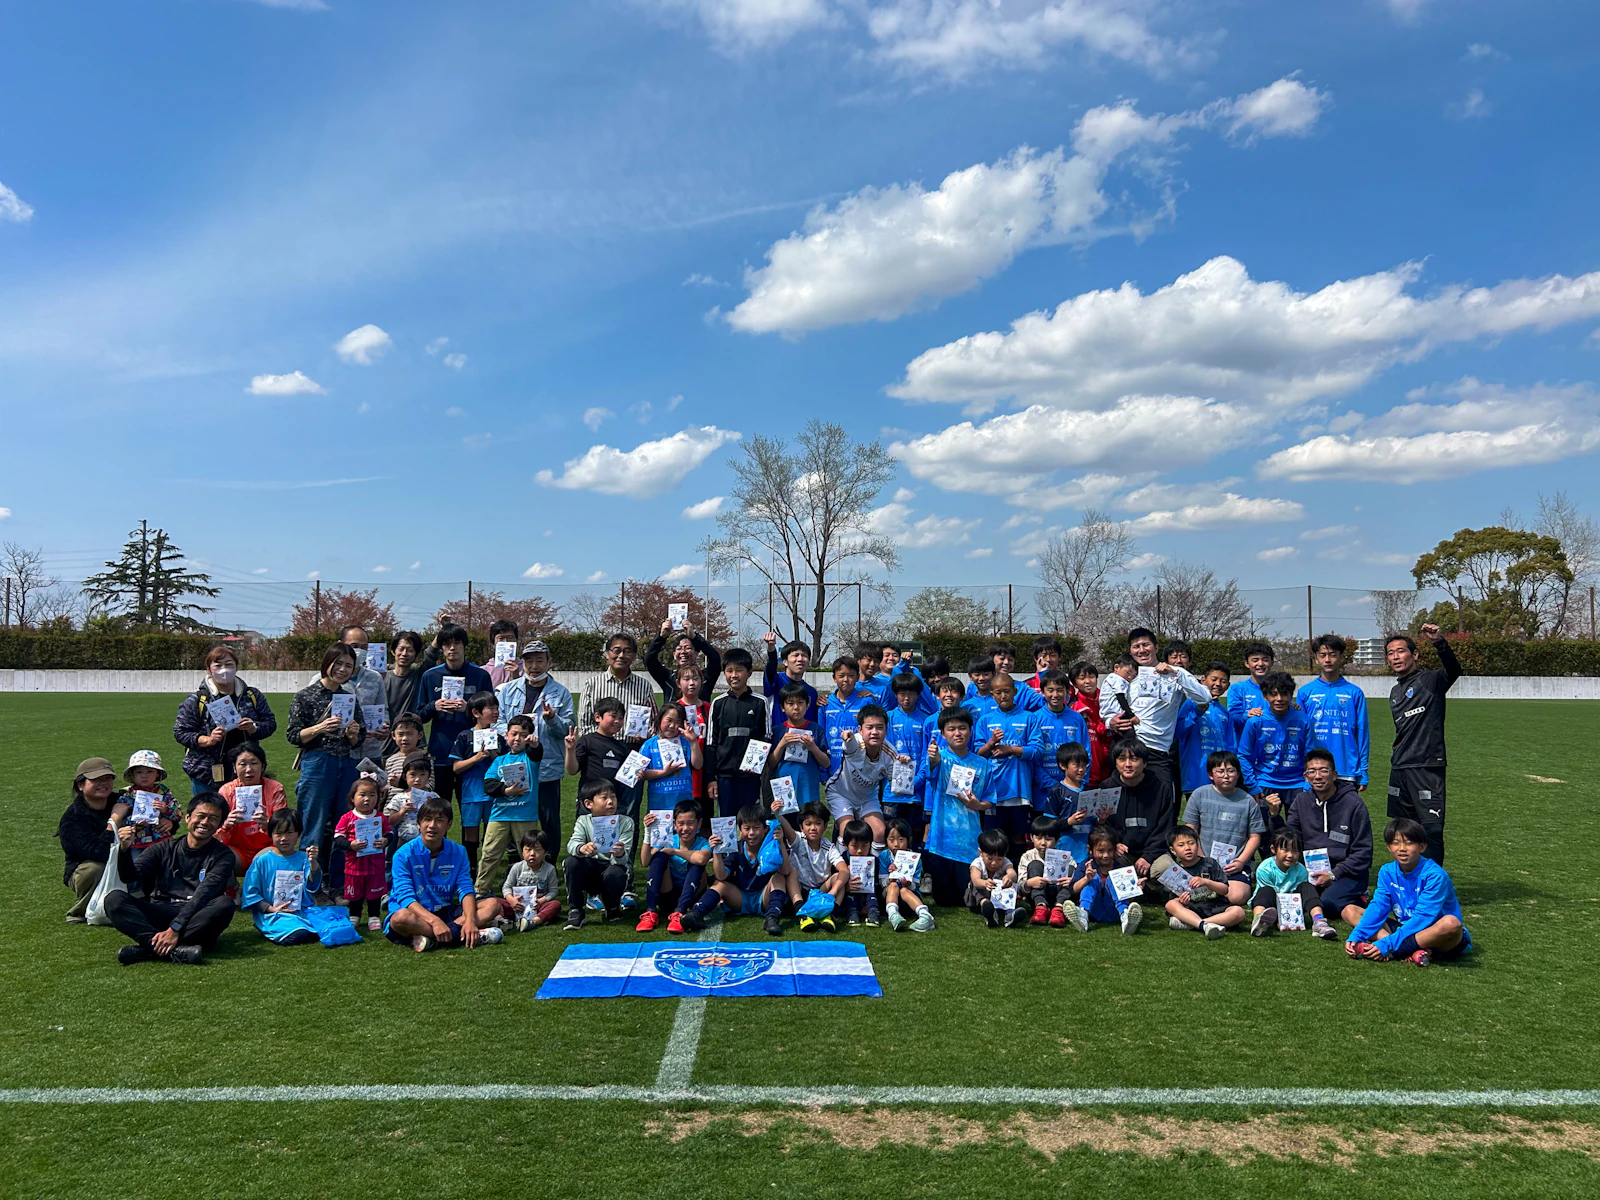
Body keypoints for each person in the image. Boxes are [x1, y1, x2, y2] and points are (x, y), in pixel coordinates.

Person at [105, 793, 238, 965]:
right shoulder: (162, 848)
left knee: (224, 904)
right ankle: (173, 951)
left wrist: (175, 928)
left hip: (196, 916)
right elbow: (130, 878)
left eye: (213, 819)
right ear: (188, 818)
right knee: (114, 899)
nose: (205, 822)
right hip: (162, 910)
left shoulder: (223, 856)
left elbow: (203, 894)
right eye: (201, 816)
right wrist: (124, 850)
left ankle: (148, 949)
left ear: (219, 825)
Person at [285, 643, 367, 891]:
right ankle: (310, 885)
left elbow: (359, 737)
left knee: (345, 825)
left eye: (348, 666)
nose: (342, 669)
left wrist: (353, 734)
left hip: (346, 763)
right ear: (326, 663)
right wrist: (320, 728)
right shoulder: (305, 696)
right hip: (317, 762)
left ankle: (338, 884)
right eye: (338, 663)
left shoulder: (349, 698)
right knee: (314, 826)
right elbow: (293, 735)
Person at [1385, 623, 1462, 864]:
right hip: (1400, 768)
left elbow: (1454, 669)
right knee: (1403, 831)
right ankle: (1409, 880)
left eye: (1401, 651)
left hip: (1426, 766)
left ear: (1415, 655)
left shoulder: (1431, 681)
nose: (1396, 657)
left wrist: (1439, 641)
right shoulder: (1394, 692)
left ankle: (1432, 882)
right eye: (1390, 653)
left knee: (1431, 830)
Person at [1346, 818, 1472, 966]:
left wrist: (1386, 944)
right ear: (1389, 847)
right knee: (1350, 911)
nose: (1402, 848)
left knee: (1451, 924)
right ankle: (1411, 951)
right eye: (1395, 843)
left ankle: (1396, 950)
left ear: (1422, 847)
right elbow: (1379, 906)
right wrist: (1357, 935)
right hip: (1405, 928)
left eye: (1409, 843)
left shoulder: (1435, 875)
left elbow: (1423, 918)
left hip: (1433, 933)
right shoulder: (1387, 871)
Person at [385, 795, 503, 952]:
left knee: (492, 904)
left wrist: (470, 920)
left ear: (449, 825)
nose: (432, 826)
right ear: (419, 824)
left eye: (439, 821)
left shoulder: (459, 852)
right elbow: (406, 897)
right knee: (400, 918)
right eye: (427, 820)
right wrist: (434, 921)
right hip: (416, 912)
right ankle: (460, 935)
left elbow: (465, 889)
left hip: (445, 909)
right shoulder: (403, 855)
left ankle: (434, 938)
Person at [1100, 627, 1210, 792]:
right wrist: (1110, 721)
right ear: (1130, 651)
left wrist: (1175, 673)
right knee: (1120, 802)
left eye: (1146, 645)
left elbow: (1204, 698)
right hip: (1125, 746)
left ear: (1156, 647)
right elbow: (1109, 705)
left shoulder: (1175, 672)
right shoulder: (1128, 675)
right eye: (1136, 647)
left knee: (1160, 800)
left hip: (1156, 750)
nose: (1141, 650)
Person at [494, 640, 574, 848]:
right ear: (523, 663)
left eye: (539, 660)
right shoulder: (508, 690)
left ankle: (550, 857)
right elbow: (498, 721)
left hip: (548, 765)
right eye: (529, 661)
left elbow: (569, 728)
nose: (534, 666)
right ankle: (518, 858)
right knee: (515, 813)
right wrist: (514, 736)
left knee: (549, 816)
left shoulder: (561, 692)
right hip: (515, 764)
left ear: (549, 662)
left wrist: (552, 719)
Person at [916, 706, 997, 907]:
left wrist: (977, 804)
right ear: (943, 734)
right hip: (941, 841)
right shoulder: (939, 758)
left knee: (965, 897)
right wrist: (933, 759)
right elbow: (930, 772)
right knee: (943, 900)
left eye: (962, 728)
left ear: (970, 730)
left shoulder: (983, 764)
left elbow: (990, 800)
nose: (957, 733)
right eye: (951, 729)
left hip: (969, 842)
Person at [172, 645, 277, 798]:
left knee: (242, 812)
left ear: (236, 668)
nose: (224, 669)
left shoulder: (252, 695)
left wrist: (253, 727)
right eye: (218, 665)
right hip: (206, 772)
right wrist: (207, 740)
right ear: (209, 670)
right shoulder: (198, 699)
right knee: (209, 811)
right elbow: (180, 732)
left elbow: (270, 723)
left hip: (244, 771)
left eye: (229, 664)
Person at [1285, 749, 1373, 927]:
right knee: (1292, 900)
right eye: (1312, 771)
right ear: (1306, 777)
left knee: (1328, 904)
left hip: (1346, 872)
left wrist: (1333, 874)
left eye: (1323, 771)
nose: (1318, 776)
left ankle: (1360, 898)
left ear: (1334, 775)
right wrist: (1273, 816)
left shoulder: (1354, 804)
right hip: (1311, 871)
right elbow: (1290, 838)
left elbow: (1363, 852)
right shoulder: (1301, 801)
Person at [682, 802, 792, 935]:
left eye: (756, 827)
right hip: (740, 898)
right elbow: (721, 876)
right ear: (740, 830)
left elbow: (786, 871)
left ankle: (772, 918)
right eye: (747, 828)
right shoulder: (736, 848)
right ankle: (696, 914)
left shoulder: (771, 847)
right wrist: (716, 851)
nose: (751, 833)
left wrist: (780, 842)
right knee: (720, 884)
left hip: (764, 897)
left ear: (765, 829)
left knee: (779, 877)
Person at [417, 623, 494, 806]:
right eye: (447, 643)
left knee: (472, 809)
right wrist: (434, 706)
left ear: (464, 645)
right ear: (441, 648)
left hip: (472, 754)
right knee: (439, 809)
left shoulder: (480, 675)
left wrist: (469, 708)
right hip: (440, 753)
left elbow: (491, 715)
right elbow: (420, 716)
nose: (452, 648)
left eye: (457, 643)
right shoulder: (430, 676)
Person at [1179, 750, 1265, 906]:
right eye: (1220, 771)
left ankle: (1208, 896)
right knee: (1180, 889)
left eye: (1231, 771)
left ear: (1238, 774)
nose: (1226, 776)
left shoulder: (1248, 801)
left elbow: (1255, 837)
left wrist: (1240, 861)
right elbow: (1190, 831)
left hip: (1232, 866)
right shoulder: (1199, 795)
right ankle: (1210, 895)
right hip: (1201, 861)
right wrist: (1201, 859)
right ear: (1210, 775)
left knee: (1238, 896)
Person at [972, 673, 1045, 856]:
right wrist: (991, 743)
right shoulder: (985, 720)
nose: (1003, 696)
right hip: (993, 791)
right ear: (992, 694)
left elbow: (1037, 750)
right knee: (994, 838)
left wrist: (1011, 749)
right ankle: (996, 873)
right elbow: (978, 755)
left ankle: (1018, 871)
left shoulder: (1029, 718)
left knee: (1018, 837)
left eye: (1007, 691)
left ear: (1015, 691)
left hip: (1019, 790)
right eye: (998, 692)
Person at [1241, 671, 1319, 836]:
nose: (1279, 699)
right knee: (1264, 835)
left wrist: (1307, 785)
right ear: (1265, 696)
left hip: (1297, 785)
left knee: (1298, 834)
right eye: (1274, 694)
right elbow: (1243, 755)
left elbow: (1311, 756)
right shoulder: (1256, 721)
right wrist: (1253, 785)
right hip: (1265, 784)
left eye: (1284, 694)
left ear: (1291, 695)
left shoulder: (1303, 720)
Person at [477, 714, 543, 896]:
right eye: (514, 734)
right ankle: (481, 891)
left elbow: (537, 753)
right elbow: (488, 785)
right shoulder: (499, 760)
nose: (517, 738)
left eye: (523, 735)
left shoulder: (530, 758)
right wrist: (506, 791)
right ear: (506, 735)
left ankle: (534, 892)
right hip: (500, 815)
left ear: (529, 738)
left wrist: (535, 746)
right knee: (489, 854)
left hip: (525, 815)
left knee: (530, 855)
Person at [239, 809, 324, 946]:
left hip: (303, 911)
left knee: (329, 928)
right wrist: (271, 909)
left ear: (298, 834)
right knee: (298, 935)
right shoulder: (262, 861)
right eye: (278, 833)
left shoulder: (304, 859)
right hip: (274, 914)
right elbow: (250, 894)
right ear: (270, 834)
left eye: (290, 832)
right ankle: (270, 928)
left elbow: (313, 885)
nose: (284, 838)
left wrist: (313, 862)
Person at [1297, 635, 1370, 789]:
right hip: (1315, 771)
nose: (1328, 660)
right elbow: (1300, 735)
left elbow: (1362, 733)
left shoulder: (1354, 693)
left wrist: (1363, 770)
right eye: (1322, 655)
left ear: (1341, 657)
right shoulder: (1305, 693)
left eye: (1333, 655)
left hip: (1346, 769)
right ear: (1316, 658)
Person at [705, 647, 769, 818]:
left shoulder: (760, 702)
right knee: (726, 821)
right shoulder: (718, 703)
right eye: (729, 670)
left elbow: (766, 737)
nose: (734, 675)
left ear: (749, 672)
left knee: (752, 821)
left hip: (750, 777)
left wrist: (754, 765)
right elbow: (711, 742)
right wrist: (711, 778)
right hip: (724, 776)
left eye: (739, 670)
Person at [563, 783, 637, 929]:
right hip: (590, 868)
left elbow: (624, 859)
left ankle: (612, 907)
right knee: (571, 862)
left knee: (616, 871)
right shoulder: (583, 820)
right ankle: (576, 910)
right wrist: (582, 848)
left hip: (612, 867)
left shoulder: (626, 822)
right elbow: (572, 844)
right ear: (588, 804)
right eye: (604, 798)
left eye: (613, 797)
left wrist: (620, 853)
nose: (610, 802)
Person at [825, 705, 899, 846]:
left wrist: (903, 767)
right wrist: (847, 737)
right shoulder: (856, 743)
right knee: (848, 831)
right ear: (860, 729)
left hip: (867, 797)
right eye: (869, 727)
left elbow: (898, 788)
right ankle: (841, 860)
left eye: (879, 727)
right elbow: (850, 745)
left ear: (886, 729)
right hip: (840, 793)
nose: (874, 732)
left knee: (879, 832)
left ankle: (872, 861)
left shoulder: (891, 754)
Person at [1176, 661, 1251, 800]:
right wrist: (1196, 713)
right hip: (1196, 776)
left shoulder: (1225, 713)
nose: (1218, 684)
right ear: (1203, 680)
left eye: (1223, 681)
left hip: (1220, 779)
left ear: (1228, 685)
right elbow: (1178, 732)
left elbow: (1230, 747)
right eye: (1214, 679)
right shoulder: (1191, 703)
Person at [449, 691, 505, 873]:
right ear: (476, 713)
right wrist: (476, 758)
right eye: (491, 708)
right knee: (470, 833)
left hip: (493, 794)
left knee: (492, 835)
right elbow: (456, 767)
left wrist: (494, 753)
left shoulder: (499, 738)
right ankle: (470, 869)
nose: (495, 712)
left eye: (496, 708)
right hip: (471, 794)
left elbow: (504, 767)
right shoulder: (465, 736)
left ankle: (487, 869)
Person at [1105, 739, 1177, 882]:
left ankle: (1152, 888)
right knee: (1105, 858)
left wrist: (1148, 856)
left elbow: (1165, 828)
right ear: (1115, 763)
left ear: (1145, 763)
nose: (1128, 764)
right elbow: (1102, 825)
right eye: (1122, 759)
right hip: (1122, 853)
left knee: (1166, 867)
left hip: (1153, 853)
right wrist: (1113, 843)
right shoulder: (1107, 788)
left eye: (1134, 759)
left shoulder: (1161, 789)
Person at [636, 799, 712, 933]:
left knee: (697, 863)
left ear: (699, 823)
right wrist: (647, 832)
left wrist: (675, 851)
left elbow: (702, 859)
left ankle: (679, 913)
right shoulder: (668, 839)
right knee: (659, 857)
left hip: (691, 897)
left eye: (690, 823)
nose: (685, 828)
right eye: (681, 824)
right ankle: (650, 911)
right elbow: (645, 861)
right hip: (668, 895)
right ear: (674, 824)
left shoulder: (702, 842)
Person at [57, 757, 118, 923]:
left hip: (124, 861)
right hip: (88, 868)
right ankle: (81, 910)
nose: (103, 783)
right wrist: (114, 822)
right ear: (80, 785)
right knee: (94, 869)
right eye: (96, 779)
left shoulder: (122, 800)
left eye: (108, 778)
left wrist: (168, 821)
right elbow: (99, 853)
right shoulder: (72, 819)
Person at [1157, 824, 1244, 939]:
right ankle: (1203, 925)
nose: (1187, 848)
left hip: (1215, 907)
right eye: (1181, 845)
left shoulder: (1210, 863)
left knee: (1238, 912)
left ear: (1198, 844)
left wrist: (1207, 882)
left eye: (1191, 843)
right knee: (1170, 905)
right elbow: (1173, 899)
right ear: (1173, 850)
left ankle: (1196, 924)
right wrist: (1181, 900)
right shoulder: (1175, 872)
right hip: (1192, 909)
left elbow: (1224, 890)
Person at [1249, 829, 1337, 940]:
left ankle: (1319, 921)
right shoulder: (1265, 868)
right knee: (1266, 890)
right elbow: (1267, 895)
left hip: (1292, 906)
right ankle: (1258, 920)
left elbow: (1297, 898)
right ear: (1273, 849)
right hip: (1269, 905)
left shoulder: (1301, 870)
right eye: (1285, 850)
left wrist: (1288, 919)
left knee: (1307, 887)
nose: (1290, 855)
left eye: (1295, 851)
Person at [324, 624, 392, 763]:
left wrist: (384, 726)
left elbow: (383, 709)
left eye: (364, 647)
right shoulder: (322, 680)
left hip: (370, 753)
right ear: (340, 645)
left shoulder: (375, 677)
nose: (359, 651)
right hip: (337, 755)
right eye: (354, 646)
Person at [777, 800, 849, 932]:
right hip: (800, 890)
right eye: (808, 824)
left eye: (818, 823)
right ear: (801, 827)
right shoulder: (798, 840)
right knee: (791, 872)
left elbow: (844, 870)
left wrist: (832, 893)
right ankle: (802, 913)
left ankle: (831, 914)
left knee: (839, 877)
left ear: (825, 826)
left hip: (821, 892)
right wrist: (778, 815)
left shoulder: (829, 847)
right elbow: (788, 830)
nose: (813, 828)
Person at [216, 741, 286, 872]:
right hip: (236, 850)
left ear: (262, 766)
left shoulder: (275, 789)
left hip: (267, 848)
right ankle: (230, 885)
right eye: (242, 764)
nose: (249, 769)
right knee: (217, 856)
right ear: (234, 768)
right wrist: (226, 824)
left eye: (254, 763)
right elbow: (214, 833)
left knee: (263, 861)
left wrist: (268, 825)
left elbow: (284, 828)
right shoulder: (226, 791)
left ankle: (262, 885)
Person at [566, 696, 641, 819]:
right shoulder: (587, 741)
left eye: (621, 718)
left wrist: (637, 774)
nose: (617, 721)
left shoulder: (622, 747)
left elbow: (626, 777)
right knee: (588, 832)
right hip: (590, 803)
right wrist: (570, 750)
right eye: (613, 716)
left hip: (613, 804)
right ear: (597, 717)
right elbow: (572, 770)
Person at [332, 776, 391, 930]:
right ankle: (355, 915)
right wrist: (350, 845)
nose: (367, 799)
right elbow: (338, 837)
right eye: (362, 795)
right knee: (355, 893)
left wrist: (385, 840)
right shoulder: (347, 818)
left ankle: (374, 916)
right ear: (352, 798)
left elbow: (390, 834)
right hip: (354, 867)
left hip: (375, 866)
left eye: (372, 795)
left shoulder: (380, 817)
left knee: (374, 892)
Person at [1064, 825, 1140, 935]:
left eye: (1110, 850)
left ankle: (1125, 916)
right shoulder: (1085, 865)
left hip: (1115, 911)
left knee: (1113, 878)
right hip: (1093, 911)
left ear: (1115, 849)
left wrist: (1136, 888)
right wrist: (1086, 878)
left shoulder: (1121, 868)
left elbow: (1130, 898)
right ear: (1090, 849)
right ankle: (1083, 914)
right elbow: (1073, 890)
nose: (1106, 855)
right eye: (1101, 851)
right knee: (1093, 878)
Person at [578, 632, 657, 740]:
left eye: (627, 651)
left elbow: (654, 722)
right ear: (607, 654)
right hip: (600, 746)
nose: (621, 655)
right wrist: (599, 741)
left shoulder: (644, 686)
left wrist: (647, 735)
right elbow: (584, 725)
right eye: (616, 651)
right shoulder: (592, 684)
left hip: (634, 747)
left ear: (634, 656)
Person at [768, 682, 830, 815]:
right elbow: (771, 763)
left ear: (807, 705)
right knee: (785, 824)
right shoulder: (777, 731)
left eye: (800, 703)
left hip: (808, 787)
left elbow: (826, 762)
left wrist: (813, 747)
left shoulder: (816, 729)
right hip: (784, 789)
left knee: (808, 821)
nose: (796, 707)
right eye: (790, 703)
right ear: (782, 707)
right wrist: (781, 744)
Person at [883, 675, 930, 839]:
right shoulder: (887, 718)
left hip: (916, 791)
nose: (906, 698)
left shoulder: (925, 720)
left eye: (911, 694)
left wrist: (918, 780)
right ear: (896, 694)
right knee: (892, 836)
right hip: (893, 792)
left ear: (918, 695)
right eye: (902, 694)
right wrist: (892, 778)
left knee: (913, 837)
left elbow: (926, 755)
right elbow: (883, 751)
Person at [109, 749, 180, 855]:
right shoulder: (127, 796)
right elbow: (122, 821)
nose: (144, 775)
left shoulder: (164, 793)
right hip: (137, 843)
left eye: (149, 771)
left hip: (163, 840)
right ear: (132, 775)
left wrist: (166, 810)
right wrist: (136, 825)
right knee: (139, 865)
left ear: (157, 773)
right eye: (139, 772)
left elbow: (178, 814)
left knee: (169, 863)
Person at [1032, 669, 1090, 798]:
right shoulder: (1035, 719)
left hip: (1073, 788)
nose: (1055, 694)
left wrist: (1078, 781)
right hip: (1044, 791)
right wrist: (1051, 784)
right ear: (1042, 692)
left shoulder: (1077, 719)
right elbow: (1033, 758)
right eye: (1050, 690)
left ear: (1067, 692)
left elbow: (1086, 752)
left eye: (1060, 690)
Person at [640, 702, 703, 817]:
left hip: (683, 799)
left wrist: (693, 741)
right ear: (660, 719)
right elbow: (641, 773)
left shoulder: (686, 742)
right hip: (659, 801)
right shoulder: (649, 745)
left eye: (677, 722)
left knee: (685, 827)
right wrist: (664, 772)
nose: (672, 726)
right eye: (669, 720)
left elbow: (698, 765)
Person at [645, 619, 722, 703]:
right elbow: (650, 659)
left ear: (696, 653)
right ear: (674, 655)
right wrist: (661, 637)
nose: (683, 652)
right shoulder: (667, 677)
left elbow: (715, 658)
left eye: (688, 648)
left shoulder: (705, 677)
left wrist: (694, 637)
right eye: (679, 649)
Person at [819, 656, 872, 778]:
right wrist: (823, 772)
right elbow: (821, 740)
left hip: (860, 768)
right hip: (833, 768)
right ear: (834, 678)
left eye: (851, 675)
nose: (846, 680)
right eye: (841, 675)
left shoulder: (866, 701)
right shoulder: (824, 704)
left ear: (857, 677)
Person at [1040, 742, 1093, 864]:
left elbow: (1095, 821)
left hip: (1086, 851)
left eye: (1084, 765)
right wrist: (1069, 822)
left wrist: (1102, 818)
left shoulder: (1089, 791)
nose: (1081, 770)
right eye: (1076, 765)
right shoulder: (1057, 791)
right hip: (1063, 851)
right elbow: (1048, 824)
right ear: (1063, 765)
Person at [1018, 813, 1074, 926]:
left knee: (1071, 869)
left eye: (1048, 839)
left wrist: (1071, 881)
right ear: (1031, 837)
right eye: (1038, 838)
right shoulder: (1027, 856)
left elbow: (1076, 882)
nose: (1043, 843)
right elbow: (1020, 887)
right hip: (1036, 896)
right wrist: (1029, 883)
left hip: (1059, 893)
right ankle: (1041, 907)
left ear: (1057, 840)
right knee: (1035, 864)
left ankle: (1058, 909)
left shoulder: (1065, 857)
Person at [500, 830, 561, 931]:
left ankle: (533, 922)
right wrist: (511, 900)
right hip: (517, 906)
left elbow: (553, 891)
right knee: (495, 902)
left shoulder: (549, 869)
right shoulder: (517, 867)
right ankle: (502, 921)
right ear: (522, 851)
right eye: (528, 850)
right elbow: (507, 887)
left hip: (537, 907)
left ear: (545, 852)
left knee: (555, 905)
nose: (532, 854)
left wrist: (540, 901)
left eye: (537, 850)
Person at [881, 817, 934, 932]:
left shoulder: (915, 859)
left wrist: (908, 884)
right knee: (893, 886)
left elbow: (916, 885)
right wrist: (891, 878)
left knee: (904, 890)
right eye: (891, 839)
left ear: (908, 840)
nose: (896, 844)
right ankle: (893, 915)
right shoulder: (884, 856)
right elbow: (882, 883)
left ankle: (925, 915)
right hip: (890, 897)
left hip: (909, 900)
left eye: (901, 839)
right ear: (886, 840)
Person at [762, 631, 818, 737]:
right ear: (785, 662)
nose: (800, 659)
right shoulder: (776, 681)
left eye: (804, 656)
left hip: (804, 743)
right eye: (795, 655)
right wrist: (771, 649)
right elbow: (771, 666)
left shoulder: (811, 692)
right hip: (778, 741)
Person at [1067, 660, 1112, 786]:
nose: (1088, 681)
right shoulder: (1073, 707)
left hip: (1111, 763)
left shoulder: (1108, 700)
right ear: (1075, 684)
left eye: (1091, 676)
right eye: (1082, 678)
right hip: (1087, 769)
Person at [382, 631, 428, 744]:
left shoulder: (419, 676)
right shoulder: (381, 678)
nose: (404, 653)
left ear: (416, 654)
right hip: (385, 742)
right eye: (401, 649)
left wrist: (444, 627)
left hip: (413, 744)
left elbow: (431, 654)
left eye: (410, 650)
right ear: (393, 651)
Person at [385, 748, 435, 849]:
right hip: (405, 840)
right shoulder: (399, 798)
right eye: (413, 775)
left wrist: (431, 808)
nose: (417, 779)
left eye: (422, 774)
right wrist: (403, 810)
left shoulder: (433, 797)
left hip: (428, 840)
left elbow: (440, 817)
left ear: (428, 776)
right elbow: (392, 821)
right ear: (404, 776)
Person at [1227, 641, 1278, 735]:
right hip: (1245, 742)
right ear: (1247, 663)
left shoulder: (1279, 688)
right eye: (1255, 660)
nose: (1260, 664)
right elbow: (1232, 719)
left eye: (1265, 660)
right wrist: (1246, 715)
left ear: (1272, 663)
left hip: (1273, 741)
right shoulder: (1237, 689)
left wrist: (1292, 707)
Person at [839, 819, 881, 927]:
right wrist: (846, 885)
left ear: (870, 844)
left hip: (868, 894)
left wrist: (866, 905)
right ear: (846, 844)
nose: (859, 851)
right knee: (851, 892)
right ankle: (852, 912)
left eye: (864, 845)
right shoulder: (842, 860)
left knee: (872, 892)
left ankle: (873, 911)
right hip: (849, 893)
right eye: (855, 846)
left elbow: (877, 884)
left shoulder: (874, 861)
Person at [483, 619, 522, 687]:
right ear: (493, 643)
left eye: (510, 638)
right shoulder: (484, 671)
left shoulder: (526, 669)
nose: (506, 642)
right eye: (501, 638)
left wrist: (516, 677)